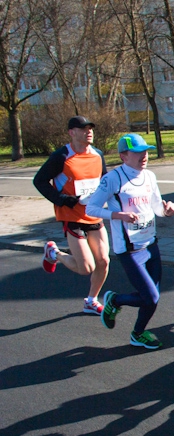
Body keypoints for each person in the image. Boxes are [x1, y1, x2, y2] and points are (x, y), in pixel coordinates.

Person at [86, 133, 174, 349]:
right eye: (137, 153)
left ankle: (137, 333)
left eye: (145, 151)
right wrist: (118, 215)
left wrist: (167, 211)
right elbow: (91, 208)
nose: (144, 156)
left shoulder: (150, 176)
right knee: (151, 297)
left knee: (152, 298)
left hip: (150, 243)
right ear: (123, 156)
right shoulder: (113, 179)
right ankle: (115, 301)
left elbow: (157, 207)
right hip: (128, 249)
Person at [33, 115, 111, 315]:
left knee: (103, 261)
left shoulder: (97, 155)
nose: (89, 132)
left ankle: (91, 300)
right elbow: (39, 181)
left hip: (93, 215)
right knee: (86, 268)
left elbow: (105, 182)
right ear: (72, 132)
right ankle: (55, 254)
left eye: (91, 128)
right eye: (83, 128)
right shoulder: (61, 156)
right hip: (71, 216)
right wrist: (60, 199)